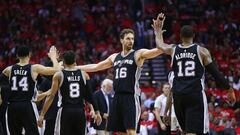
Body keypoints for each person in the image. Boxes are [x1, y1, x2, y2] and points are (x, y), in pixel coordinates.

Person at [76, 15, 164, 134]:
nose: (131, 41)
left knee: (131, 131)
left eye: (132, 39)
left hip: (130, 97)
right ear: (121, 40)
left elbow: (159, 50)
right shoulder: (114, 57)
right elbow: (96, 66)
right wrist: (75, 68)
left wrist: (158, 33)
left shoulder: (138, 54)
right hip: (117, 97)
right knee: (119, 132)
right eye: (128, 38)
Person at [152, 13, 236, 135]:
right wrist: (229, 89)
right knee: (193, 132)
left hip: (178, 96)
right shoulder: (202, 51)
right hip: (194, 94)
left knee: (185, 131)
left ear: (180, 36)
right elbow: (215, 73)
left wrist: (158, 30)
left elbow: (160, 45)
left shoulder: (173, 49)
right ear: (194, 36)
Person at [37, 50, 102, 135]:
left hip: (65, 111)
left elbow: (51, 96)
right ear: (75, 61)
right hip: (80, 111)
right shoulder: (84, 74)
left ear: (63, 62)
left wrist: (42, 114)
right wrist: (97, 112)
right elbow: (90, 95)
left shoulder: (59, 75)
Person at [0, 45, 60, 135]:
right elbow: (56, 70)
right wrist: (53, 57)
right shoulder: (34, 68)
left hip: (12, 106)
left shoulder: (8, 70)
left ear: (17, 56)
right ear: (29, 55)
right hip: (27, 105)